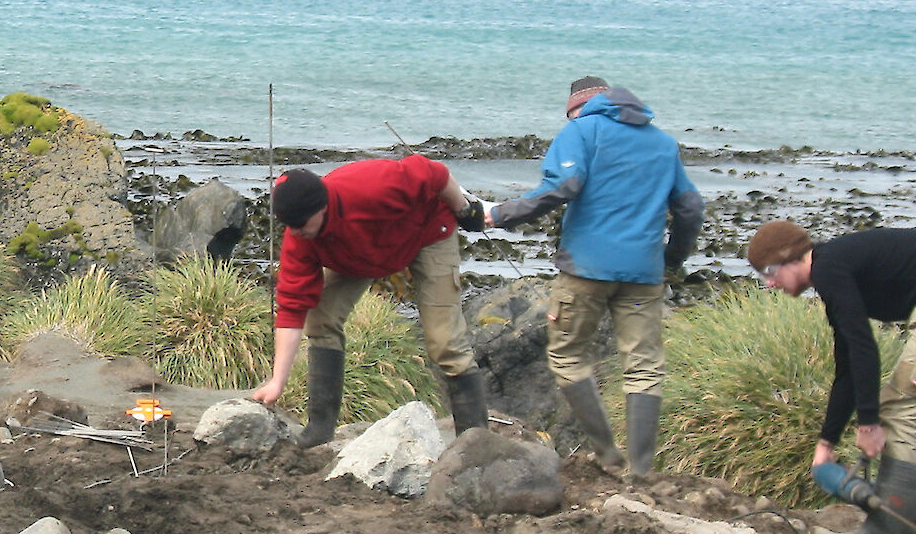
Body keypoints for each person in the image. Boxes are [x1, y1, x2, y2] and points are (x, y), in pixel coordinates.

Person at [487, 76, 703, 477]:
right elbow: (690, 208)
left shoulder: (581, 131)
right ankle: (641, 470)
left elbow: (563, 187)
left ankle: (607, 456)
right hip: (644, 273)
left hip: (585, 270)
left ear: (578, 108)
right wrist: (672, 259)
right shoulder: (662, 143)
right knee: (643, 367)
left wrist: (500, 214)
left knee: (567, 354)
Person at [249, 154, 491, 446]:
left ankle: (474, 441)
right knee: (321, 318)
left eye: (301, 223)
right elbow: (291, 306)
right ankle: (320, 430)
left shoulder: (373, 186)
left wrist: (465, 210)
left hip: (428, 235)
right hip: (361, 257)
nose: (297, 231)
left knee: (445, 343)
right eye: (290, 225)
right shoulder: (301, 237)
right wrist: (277, 382)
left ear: (322, 206)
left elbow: (434, 173)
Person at [749, 221, 916, 534]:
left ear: (790, 257)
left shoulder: (830, 267)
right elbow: (849, 368)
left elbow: (864, 348)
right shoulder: (834, 271)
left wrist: (869, 424)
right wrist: (827, 442)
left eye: (769, 271)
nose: (769, 282)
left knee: (901, 405)